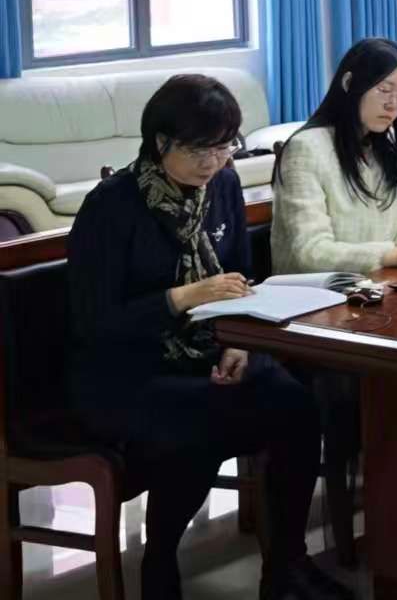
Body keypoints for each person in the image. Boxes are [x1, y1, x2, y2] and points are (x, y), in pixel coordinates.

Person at [66, 75, 353, 600]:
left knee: (295, 406)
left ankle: (286, 567)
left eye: (224, 147)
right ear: (161, 142)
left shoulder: (222, 185)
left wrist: (238, 343)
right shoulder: (112, 206)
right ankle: (160, 568)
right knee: (203, 423)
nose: (214, 162)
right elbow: (94, 323)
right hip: (123, 373)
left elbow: (240, 277)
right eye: (200, 150)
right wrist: (181, 298)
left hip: (204, 353)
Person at [272, 38, 397, 275]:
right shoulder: (306, 149)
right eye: (384, 90)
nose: (392, 105)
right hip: (323, 292)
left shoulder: (382, 148)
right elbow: (311, 251)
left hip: (382, 283)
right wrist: (395, 255)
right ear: (348, 83)